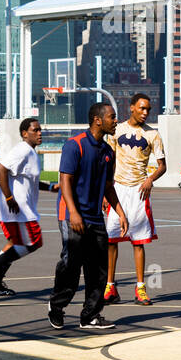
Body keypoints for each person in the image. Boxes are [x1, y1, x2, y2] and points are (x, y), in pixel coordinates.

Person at [49, 102, 129, 331]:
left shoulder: (108, 152)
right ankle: (56, 307)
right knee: (71, 266)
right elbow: (65, 181)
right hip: (71, 214)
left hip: (95, 218)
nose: (116, 121)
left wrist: (120, 213)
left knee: (98, 270)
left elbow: (108, 187)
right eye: (112, 117)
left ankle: (90, 316)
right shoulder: (75, 146)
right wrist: (74, 212)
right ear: (97, 120)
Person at [0, 118, 58, 296]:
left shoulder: (31, 153)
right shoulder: (23, 150)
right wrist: (9, 197)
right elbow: (0, 168)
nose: (39, 133)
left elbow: (31, 181)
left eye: (40, 130)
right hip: (15, 205)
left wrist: (51, 187)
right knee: (34, 241)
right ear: (24, 134)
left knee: (16, 242)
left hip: (17, 204)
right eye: (35, 130)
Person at [103, 93, 166, 305]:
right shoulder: (117, 130)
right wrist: (106, 191)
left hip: (139, 192)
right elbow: (109, 162)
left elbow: (162, 166)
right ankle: (110, 287)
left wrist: (150, 180)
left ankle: (140, 288)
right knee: (111, 240)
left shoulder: (153, 135)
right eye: (141, 108)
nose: (145, 113)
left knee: (138, 242)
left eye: (148, 109)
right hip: (118, 189)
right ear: (131, 108)